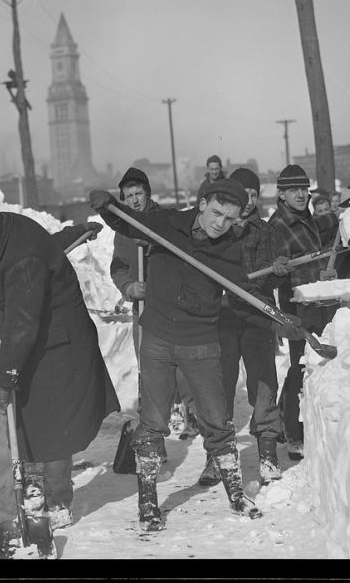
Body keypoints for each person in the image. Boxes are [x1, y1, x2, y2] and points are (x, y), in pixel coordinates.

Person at [90, 179, 304, 530]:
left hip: (201, 343)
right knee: (153, 421)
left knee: (217, 419)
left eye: (230, 218)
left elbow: (244, 297)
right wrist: (105, 206)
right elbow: (128, 223)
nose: (221, 223)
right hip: (157, 338)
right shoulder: (168, 224)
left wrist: (277, 321)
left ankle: (235, 493)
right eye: (217, 213)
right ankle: (148, 502)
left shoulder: (229, 250)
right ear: (202, 204)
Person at [0, 196, 119, 531]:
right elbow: (9, 299)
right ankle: (35, 492)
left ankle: (58, 503)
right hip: (37, 338)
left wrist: (4, 375)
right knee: (27, 415)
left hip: (58, 343)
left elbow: (24, 323)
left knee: (53, 426)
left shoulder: (22, 255)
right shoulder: (6, 234)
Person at [203, 167, 291, 487]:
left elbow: (274, 274)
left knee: (264, 383)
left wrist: (278, 271)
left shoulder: (266, 232)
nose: (250, 201)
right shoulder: (216, 232)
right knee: (219, 388)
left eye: (254, 195)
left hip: (256, 318)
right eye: (244, 196)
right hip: (221, 319)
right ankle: (217, 456)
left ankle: (267, 454)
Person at [110, 167, 199, 440]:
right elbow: (118, 266)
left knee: (180, 360)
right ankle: (160, 411)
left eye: (138, 193)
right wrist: (129, 287)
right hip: (143, 307)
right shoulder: (123, 229)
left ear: (148, 194)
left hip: (172, 305)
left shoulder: (167, 219)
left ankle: (191, 410)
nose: (134, 200)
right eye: (128, 196)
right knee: (148, 360)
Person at [267, 165, 339, 461]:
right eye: (293, 190)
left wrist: (341, 215)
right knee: (301, 363)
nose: (300, 194)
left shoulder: (305, 216)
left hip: (318, 299)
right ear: (281, 194)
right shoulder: (277, 225)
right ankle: (294, 434)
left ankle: (286, 418)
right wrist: (278, 264)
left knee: (312, 361)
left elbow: (325, 226)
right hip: (297, 303)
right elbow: (275, 265)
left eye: (303, 189)